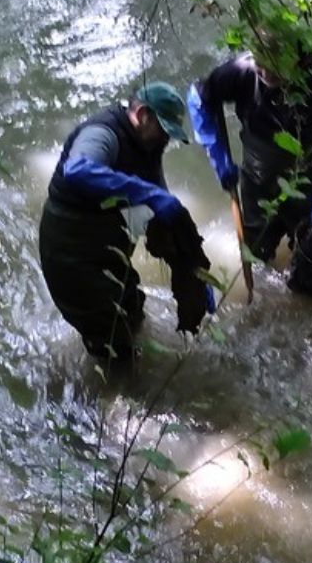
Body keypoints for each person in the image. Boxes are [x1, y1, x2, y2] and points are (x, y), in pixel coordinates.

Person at [37, 83, 215, 370]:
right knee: (112, 345)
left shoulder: (148, 144)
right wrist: (148, 194)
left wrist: (193, 270)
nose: (166, 140)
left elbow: (158, 193)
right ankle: (112, 401)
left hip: (106, 240)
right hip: (69, 249)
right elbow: (77, 171)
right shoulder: (103, 134)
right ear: (143, 115)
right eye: (164, 130)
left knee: (131, 309)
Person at [187, 38, 312, 298]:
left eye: (272, 65)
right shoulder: (243, 72)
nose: (263, 72)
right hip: (258, 184)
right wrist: (218, 156)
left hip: (308, 187)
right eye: (259, 63)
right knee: (256, 255)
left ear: (296, 62)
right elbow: (199, 96)